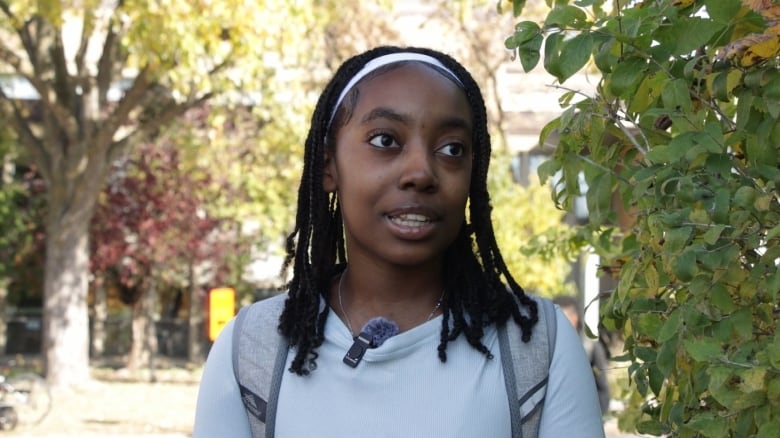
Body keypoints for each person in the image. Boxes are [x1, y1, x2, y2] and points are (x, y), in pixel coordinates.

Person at [193, 46, 605, 437]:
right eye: (385, 140)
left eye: (452, 148)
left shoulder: (537, 347)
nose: (421, 172)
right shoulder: (253, 349)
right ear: (327, 166)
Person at [553, 295, 612, 416]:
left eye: (560, 318)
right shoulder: (547, 348)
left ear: (574, 318)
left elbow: (603, 389)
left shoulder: (590, 347)